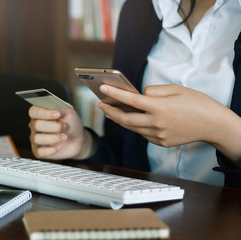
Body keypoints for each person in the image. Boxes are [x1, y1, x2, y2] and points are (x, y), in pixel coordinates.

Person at [27, 0, 241, 189]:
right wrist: (83, 145)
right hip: (146, 214)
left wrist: (220, 129)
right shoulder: (138, 10)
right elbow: (125, 156)